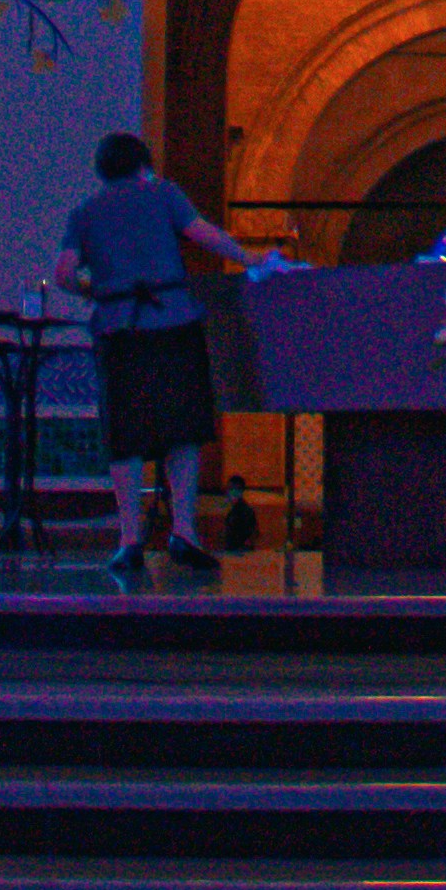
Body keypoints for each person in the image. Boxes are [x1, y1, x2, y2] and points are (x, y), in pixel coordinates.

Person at [52, 131, 269, 577]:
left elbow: (64, 273)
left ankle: (129, 539)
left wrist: (97, 290)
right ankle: (184, 531)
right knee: (182, 431)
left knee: (126, 436)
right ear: (143, 164)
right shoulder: (164, 195)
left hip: (118, 331)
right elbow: (202, 233)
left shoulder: (86, 213)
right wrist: (250, 259)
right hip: (173, 323)